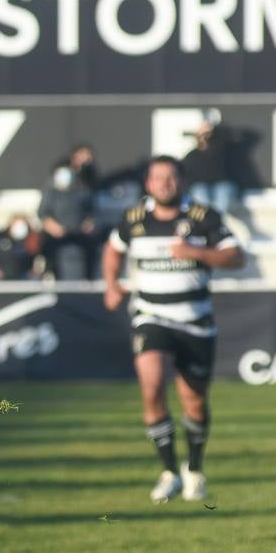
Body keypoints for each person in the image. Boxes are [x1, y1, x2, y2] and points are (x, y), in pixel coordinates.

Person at [103, 156, 244, 504]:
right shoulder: (133, 219)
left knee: (194, 401)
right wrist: (111, 284)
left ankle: (193, 469)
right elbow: (112, 249)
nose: (164, 183)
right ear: (148, 184)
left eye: (170, 177)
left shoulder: (203, 217)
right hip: (151, 315)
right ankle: (168, 471)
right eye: (157, 178)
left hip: (195, 320)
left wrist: (197, 252)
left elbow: (236, 257)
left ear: (181, 181)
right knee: (151, 384)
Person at [37, 161, 98, 279]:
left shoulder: (81, 191)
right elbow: (43, 214)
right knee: (47, 246)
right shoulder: (50, 192)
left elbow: (90, 211)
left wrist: (88, 224)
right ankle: (51, 275)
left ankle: (89, 278)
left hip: (78, 232)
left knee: (92, 245)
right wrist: (53, 228)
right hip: (57, 234)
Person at [182, 109, 242, 217]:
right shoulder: (192, 156)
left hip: (222, 186)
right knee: (199, 192)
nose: (205, 137)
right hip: (201, 188)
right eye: (202, 134)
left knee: (222, 192)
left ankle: (216, 223)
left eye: (208, 133)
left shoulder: (223, 151)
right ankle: (207, 222)